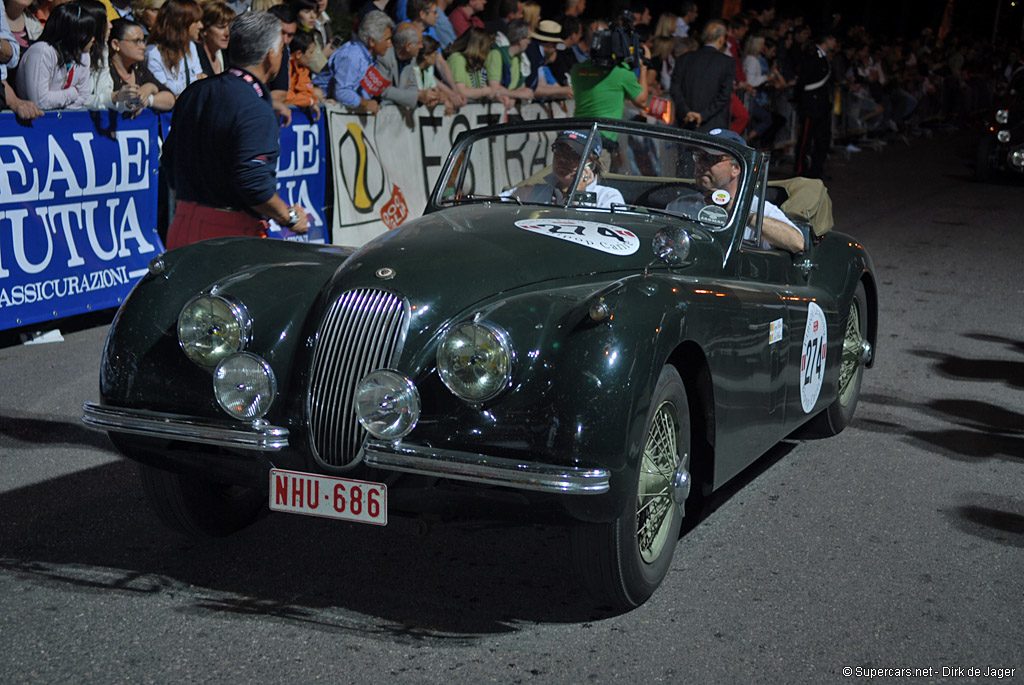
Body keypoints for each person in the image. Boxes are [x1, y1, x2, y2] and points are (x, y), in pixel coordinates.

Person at [161, 10, 309, 249]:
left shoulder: (195, 92)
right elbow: (254, 182)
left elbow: (169, 160)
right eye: (281, 51)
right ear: (271, 56)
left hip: (182, 224)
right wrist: (289, 218)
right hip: (228, 238)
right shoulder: (254, 106)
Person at [666, 128, 803, 253]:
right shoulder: (680, 206)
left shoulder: (758, 208)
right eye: (698, 156)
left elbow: (797, 242)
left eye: (711, 158)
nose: (701, 164)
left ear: (736, 168)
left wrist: (739, 211)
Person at [501, 130, 624, 208]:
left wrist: (579, 193)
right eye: (559, 151)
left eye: (573, 154)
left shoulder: (608, 197)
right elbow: (491, 203)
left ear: (591, 164)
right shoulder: (536, 192)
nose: (563, 159)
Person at [15, 1, 97, 109]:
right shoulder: (42, 52)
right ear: (73, 34)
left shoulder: (83, 55)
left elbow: (83, 97)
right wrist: (72, 93)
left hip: (61, 120)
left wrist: (57, 102)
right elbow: (40, 101)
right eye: (88, 34)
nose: (93, 39)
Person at [314, 9, 392, 113]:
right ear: (372, 42)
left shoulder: (370, 57)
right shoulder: (351, 56)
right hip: (321, 112)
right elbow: (342, 93)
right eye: (387, 39)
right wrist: (365, 104)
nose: (390, 44)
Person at [669, 19, 734, 133]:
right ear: (721, 39)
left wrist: (686, 112)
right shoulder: (727, 62)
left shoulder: (684, 58)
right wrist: (702, 115)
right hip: (712, 125)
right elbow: (724, 95)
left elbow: (675, 88)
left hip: (684, 122)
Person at [108, 18, 174, 111]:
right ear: (115, 44)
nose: (143, 47)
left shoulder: (138, 67)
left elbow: (170, 100)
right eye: (136, 41)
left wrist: (149, 93)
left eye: (143, 41)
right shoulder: (104, 70)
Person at [794, 32, 835, 179]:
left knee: (822, 139)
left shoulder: (823, 57)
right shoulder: (812, 55)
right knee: (805, 140)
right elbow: (805, 80)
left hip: (821, 105)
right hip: (811, 104)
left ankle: (816, 169)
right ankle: (800, 170)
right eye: (833, 39)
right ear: (827, 40)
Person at [146, 0, 205, 96]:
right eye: (196, 21)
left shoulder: (190, 46)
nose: (201, 26)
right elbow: (165, 96)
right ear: (180, 23)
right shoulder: (153, 53)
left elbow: (199, 81)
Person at [196, 1, 233, 76]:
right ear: (204, 29)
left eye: (229, 28)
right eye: (221, 27)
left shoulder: (225, 55)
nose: (227, 33)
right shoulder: (195, 57)